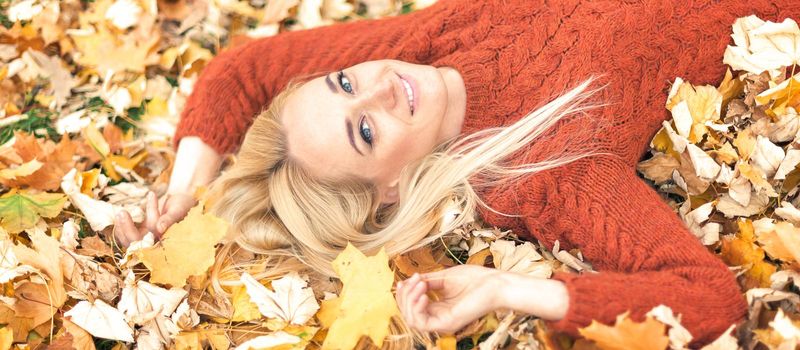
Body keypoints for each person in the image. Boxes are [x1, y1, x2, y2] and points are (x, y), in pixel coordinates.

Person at [113, 0, 800, 347]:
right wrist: (508, 289)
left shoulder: (428, 42)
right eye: (365, 130)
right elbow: (709, 295)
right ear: (388, 189)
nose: (380, 90)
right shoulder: (539, 169)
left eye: (345, 81)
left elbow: (242, 70)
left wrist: (180, 195)